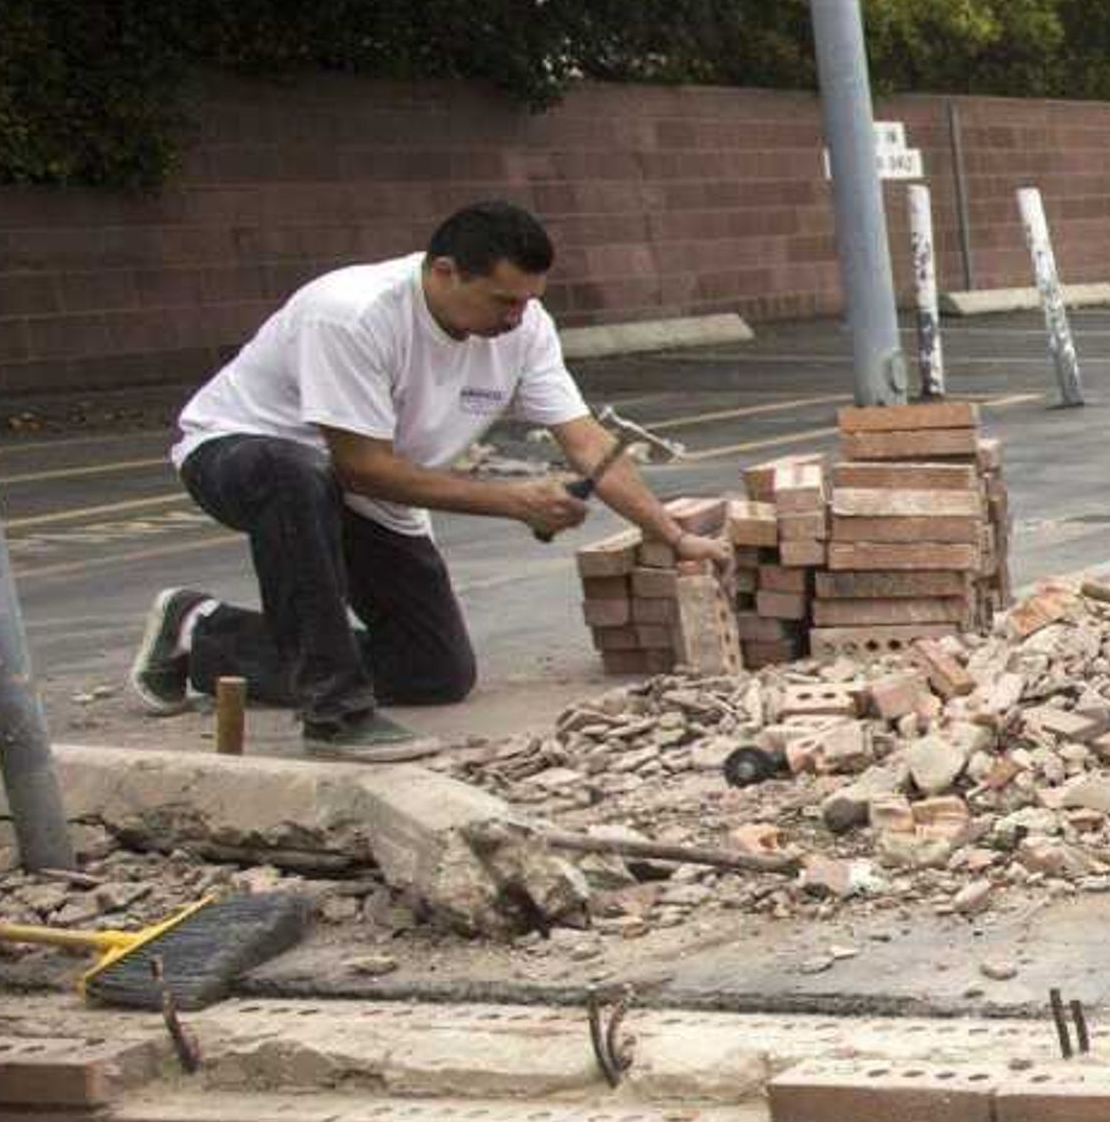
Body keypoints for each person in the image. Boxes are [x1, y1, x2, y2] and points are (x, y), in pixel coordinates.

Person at [126, 201, 724, 761]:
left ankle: (199, 632)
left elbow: (588, 441)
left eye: (525, 302)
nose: (515, 317)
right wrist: (512, 501)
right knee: (297, 474)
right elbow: (359, 463)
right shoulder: (350, 314)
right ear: (443, 272)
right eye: (501, 302)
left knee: (433, 671)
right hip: (239, 454)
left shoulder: (525, 328)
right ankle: (335, 713)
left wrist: (672, 535)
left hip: (363, 484)